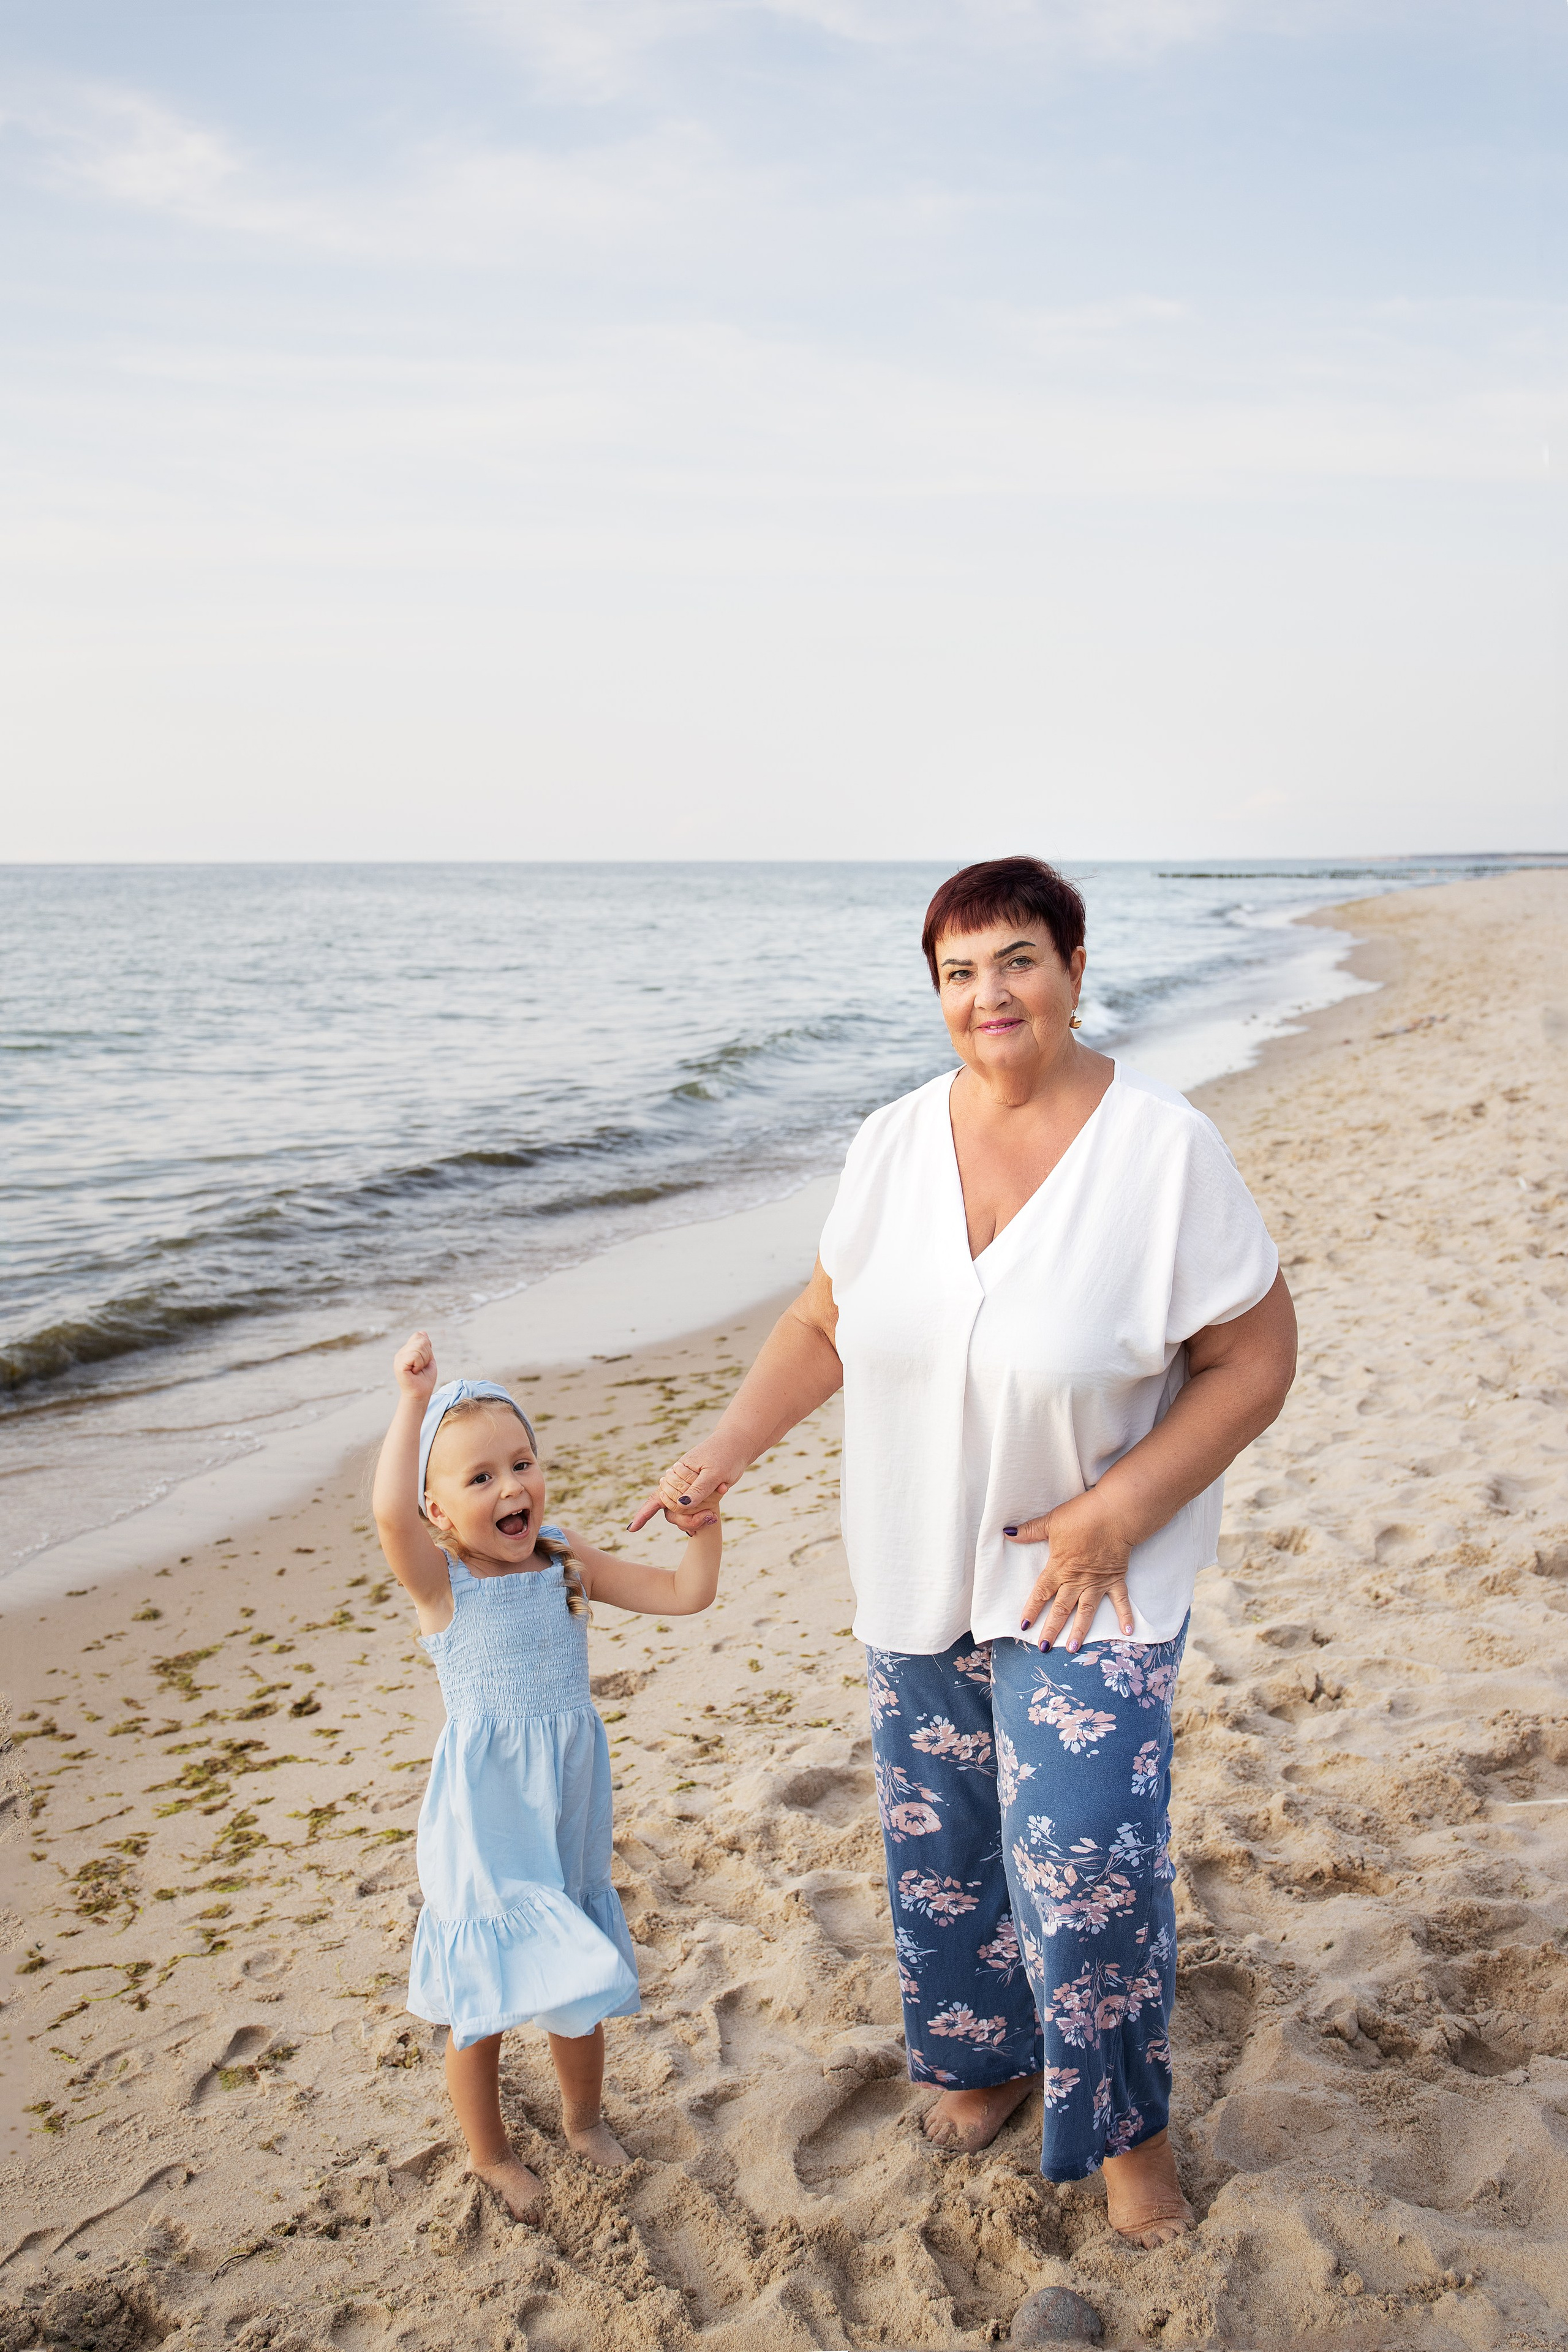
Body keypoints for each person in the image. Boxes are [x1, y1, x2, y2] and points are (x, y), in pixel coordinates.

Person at [631, 854, 1295, 2247]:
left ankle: (1128, 2138)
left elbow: (1253, 1355)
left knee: (1088, 1867)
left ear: (1068, 968)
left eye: (1013, 960)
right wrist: (720, 1455)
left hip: (1087, 1589)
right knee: (947, 1850)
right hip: (912, 1567)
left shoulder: (1159, 1151)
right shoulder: (888, 1145)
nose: (986, 995)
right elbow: (819, 1325)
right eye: (956, 972)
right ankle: (984, 2059)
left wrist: (1122, 1507)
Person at [374, 1330, 722, 2220]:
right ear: (440, 1516)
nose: (510, 1487)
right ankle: (489, 2154)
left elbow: (685, 1595)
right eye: (479, 1478)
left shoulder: (566, 1564)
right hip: (486, 1817)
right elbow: (386, 1515)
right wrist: (414, 1401)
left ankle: (582, 2119)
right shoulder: (444, 1589)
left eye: (520, 1463)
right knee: (481, 1995)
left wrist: (704, 1532)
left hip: (564, 1802)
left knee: (576, 1964)